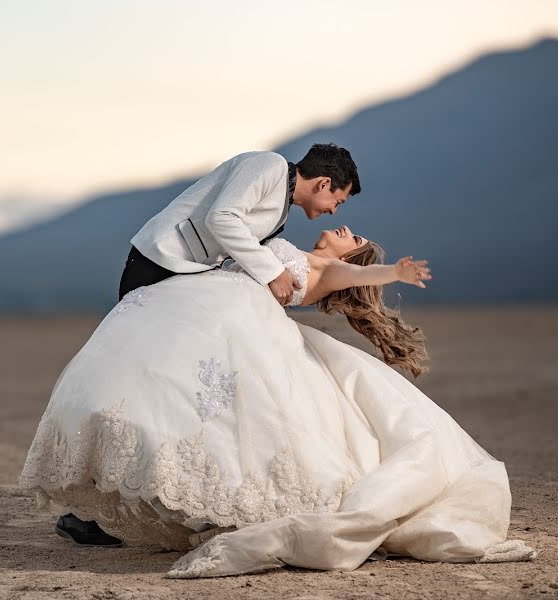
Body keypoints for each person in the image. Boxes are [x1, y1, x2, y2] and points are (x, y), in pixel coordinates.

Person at [18, 228, 537, 575]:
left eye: (351, 235)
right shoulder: (289, 247)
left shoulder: (330, 270)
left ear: (349, 253)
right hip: (217, 326)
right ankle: (127, 500)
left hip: (250, 341)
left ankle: (181, 510)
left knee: (233, 430)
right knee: (178, 412)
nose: (341, 228)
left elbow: (359, 276)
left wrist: (393, 272)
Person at [54, 143, 362, 547]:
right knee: (137, 385)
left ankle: (174, 497)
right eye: (336, 200)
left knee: (178, 393)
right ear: (324, 182)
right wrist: (271, 272)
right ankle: (82, 510)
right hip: (158, 266)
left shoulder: (281, 208)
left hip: (188, 280)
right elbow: (222, 218)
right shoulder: (267, 167)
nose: (333, 211)